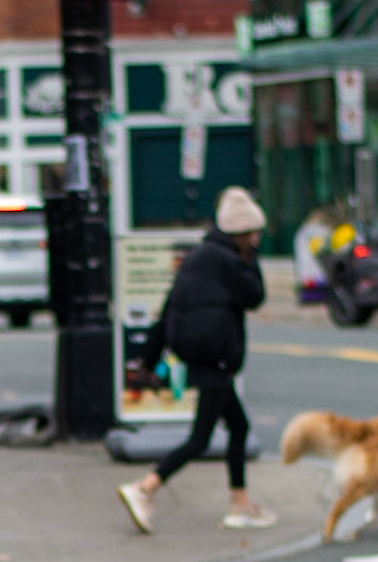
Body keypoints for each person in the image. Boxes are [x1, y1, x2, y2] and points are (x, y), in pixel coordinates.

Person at [118, 187, 276, 534]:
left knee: (238, 427)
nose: (256, 239)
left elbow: (166, 311)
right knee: (200, 439)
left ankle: (240, 502)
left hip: (198, 356)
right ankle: (146, 488)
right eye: (254, 234)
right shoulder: (231, 261)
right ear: (244, 232)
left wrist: (147, 360)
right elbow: (255, 295)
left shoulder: (196, 257)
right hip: (216, 358)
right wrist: (252, 258)